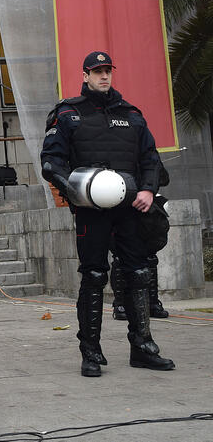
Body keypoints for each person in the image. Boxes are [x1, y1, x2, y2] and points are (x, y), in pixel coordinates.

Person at [41, 51, 174, 378]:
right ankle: (91, 351)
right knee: (95, 276)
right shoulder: (69, 114)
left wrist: (147, 189)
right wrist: (74, 190)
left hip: (131, 209)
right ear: (85, 75)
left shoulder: (132, 115)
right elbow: (51, 163)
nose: (104, 76)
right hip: (92, 212)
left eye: (107, 71)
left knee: (139, 273)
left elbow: (151, 159)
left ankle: (143, 347)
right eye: (97, 71)